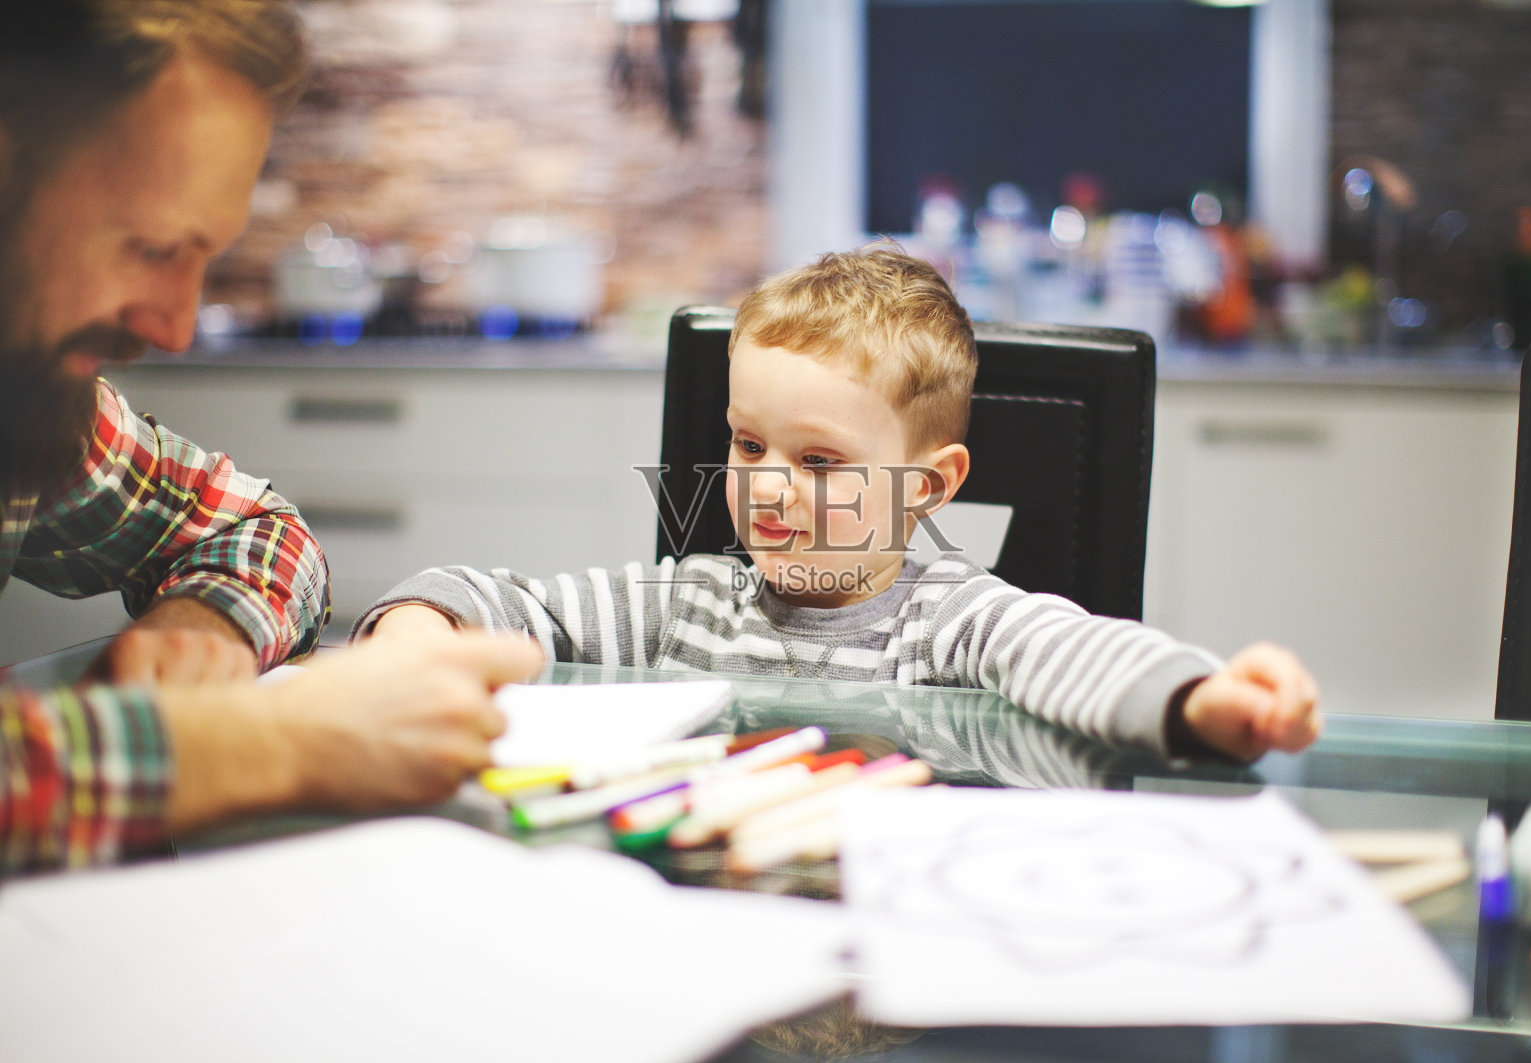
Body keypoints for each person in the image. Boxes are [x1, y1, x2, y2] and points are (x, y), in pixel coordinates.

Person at [360, 245, 1320, 762]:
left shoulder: (950, 619)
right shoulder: (690, 601)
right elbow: (517, 603)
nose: (768, 485)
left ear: (929, 486)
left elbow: (1074, 648)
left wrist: (1199, 698)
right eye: (747, 444)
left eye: (821, 460)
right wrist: (417, 622)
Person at [0, 1, 540, 877]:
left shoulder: (27, 397)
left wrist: (205, 621)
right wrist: (251, 743)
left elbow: (257, 531)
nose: (174, 327)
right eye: (150, 247)